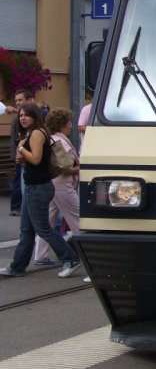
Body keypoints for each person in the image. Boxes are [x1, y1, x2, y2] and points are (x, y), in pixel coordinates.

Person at [0, 103, 83, 278]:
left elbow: (36, 160)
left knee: (43, 228)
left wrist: (22, 148)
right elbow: (31, 161)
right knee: (27, 230)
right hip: (34, 186)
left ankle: (71, 257)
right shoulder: (33, 133)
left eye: (26, 115)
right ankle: (18, 266)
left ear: (34, 117)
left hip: (38, 187)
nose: (22, 118)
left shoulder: (37, 133)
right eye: (21, 115)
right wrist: (21, 155)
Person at [32, 108, 81, 265]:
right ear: (62, 125)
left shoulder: (51, 138)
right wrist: (81, 168)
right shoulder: (61, 142)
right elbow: (64, 167)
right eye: (69, 123)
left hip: (52, 184)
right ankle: (88, 254)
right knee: (78, 219)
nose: (71, 126)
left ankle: (40, 256)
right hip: (63, 186)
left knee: (47, 221)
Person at [5, 89, 36, 216]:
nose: (17, 103)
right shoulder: (18, 118)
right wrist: (20, 151)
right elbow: (18, 138)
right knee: (19, 180)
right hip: (21, 154)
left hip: (24, 153)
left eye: (20, 100)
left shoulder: (32, 116)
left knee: (20, 180)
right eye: (16, 100)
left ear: (29, 100)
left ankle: (19, 206)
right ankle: (17, 207)